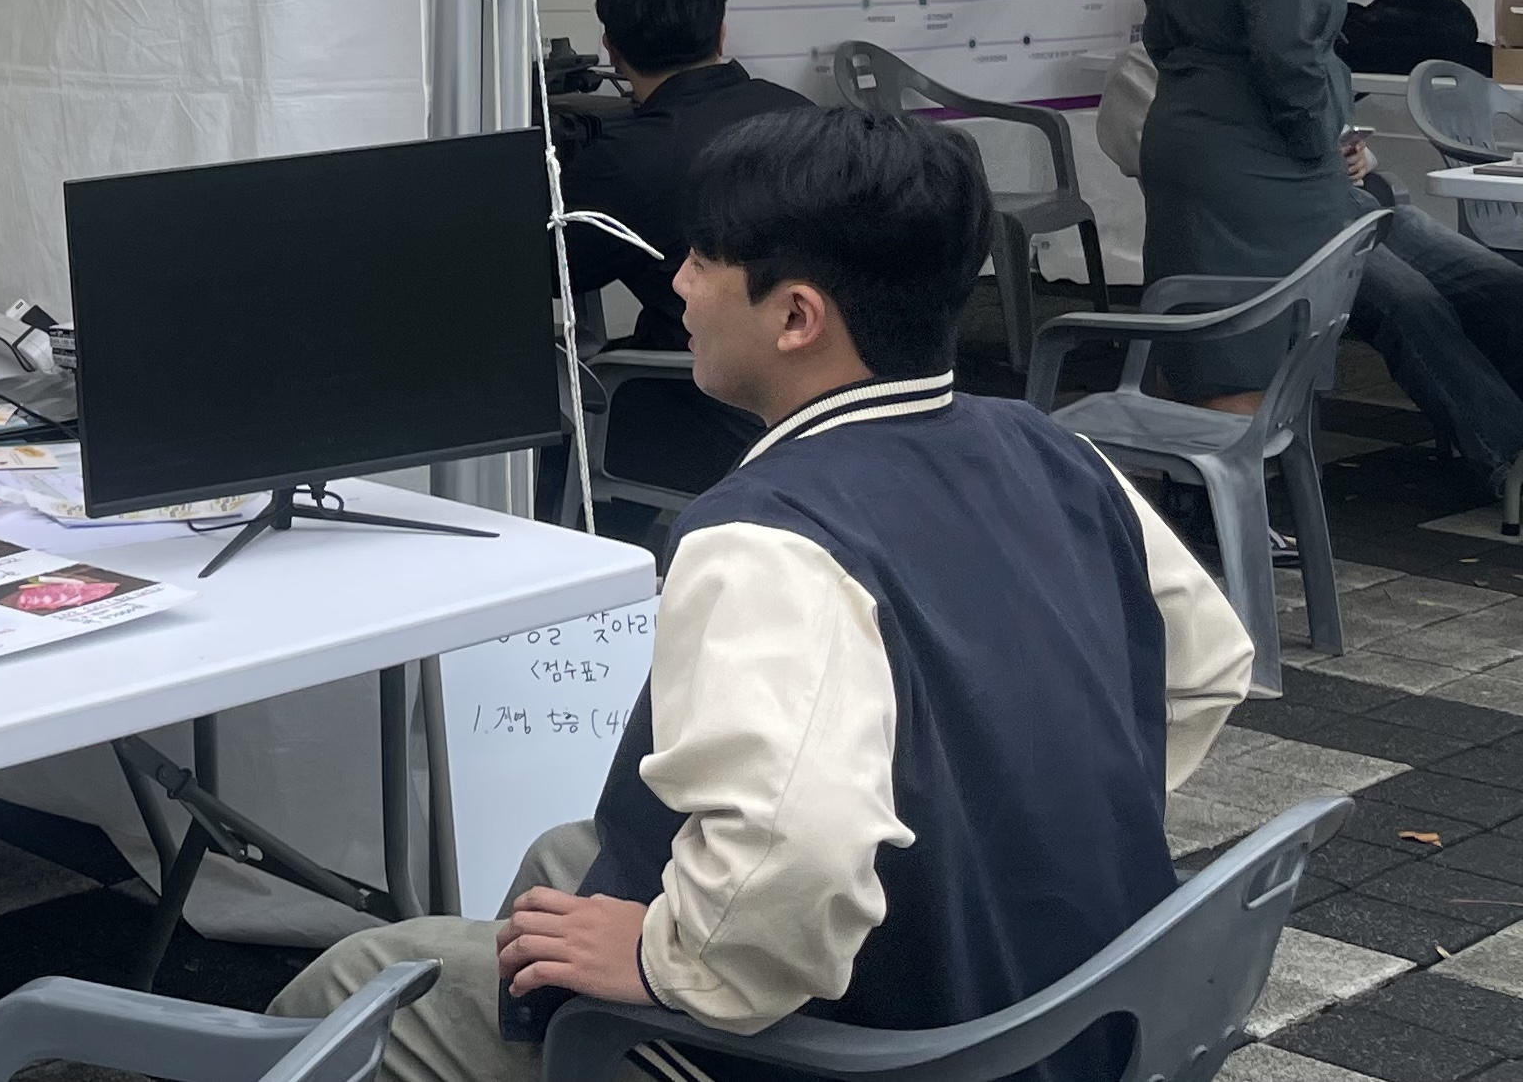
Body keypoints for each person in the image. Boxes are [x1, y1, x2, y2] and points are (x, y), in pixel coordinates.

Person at [274, 108, 1257, 1082]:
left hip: (899, 1045)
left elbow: (807, 845)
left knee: (360, 980)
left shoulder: (768, 537)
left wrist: (670, 963)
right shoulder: (1053, 448)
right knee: (561, 861)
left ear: (795, 317)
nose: (678, 283)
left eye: (703, 259)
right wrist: (1019, 832)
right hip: (1077, 999)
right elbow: (1210, 667)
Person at [1137, 0, 1523, 495]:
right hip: (1266, 165)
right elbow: (1285, 53)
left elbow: (1171, 36)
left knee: (1216, 329)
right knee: (1262, 339)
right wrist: (1322, 142)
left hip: (1202, 146)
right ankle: (1228, 507)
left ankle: (1203, 499)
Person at [554, 0, 814, 502]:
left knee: (554, 428)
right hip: (820, 387)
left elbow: (546, 272)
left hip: (713, 400)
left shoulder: (631, 158)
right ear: (721, 32)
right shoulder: (801, 113)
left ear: (612, 48)